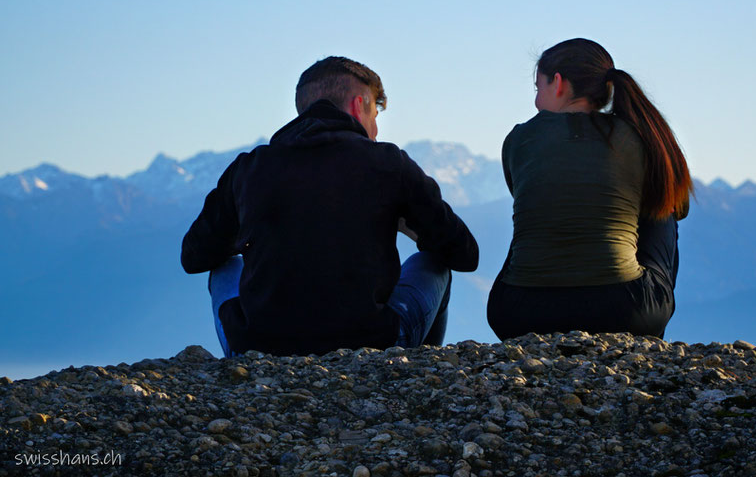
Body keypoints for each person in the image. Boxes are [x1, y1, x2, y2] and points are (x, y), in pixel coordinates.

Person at [181, 56, 479, 358]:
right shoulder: (388, 163)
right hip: (372, 345)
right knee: (435, 262)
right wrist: (411, 227)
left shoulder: (248, 168)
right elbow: (464, 253)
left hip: (256, 349)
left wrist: (254, 228)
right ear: (358, 105)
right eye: (375, 113)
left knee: (224, 265)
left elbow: (194, 256)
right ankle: (418, 369)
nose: (375, 129)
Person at [487, 38, 693, 341]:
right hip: (625, 311)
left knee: (540, 211)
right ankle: (645, 347)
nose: (536, 102)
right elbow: (680, 205)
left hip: (518, 313)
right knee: (662, 207)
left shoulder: (519, 139)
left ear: (557, 83)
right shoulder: (639, 136)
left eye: (537, 88)